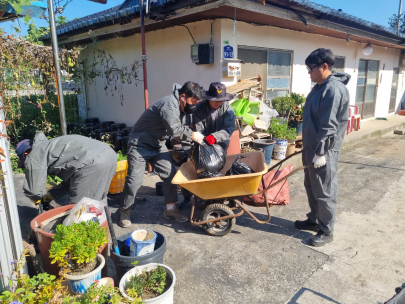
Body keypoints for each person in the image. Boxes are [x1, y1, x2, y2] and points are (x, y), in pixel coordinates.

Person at [119, 81, 205, 228]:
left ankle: (170, 210)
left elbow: (181, 132)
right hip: (139, 144)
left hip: (157, 145)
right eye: (193, 101)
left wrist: (193, 151)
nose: (194, 105)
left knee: (170, 175)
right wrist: (193, 136)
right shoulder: (169, 103)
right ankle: (124, 211)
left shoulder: (183, 109)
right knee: (134, 181)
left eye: (197, 102)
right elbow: (175, 130)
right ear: (183, 96)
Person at [294, 48, 350, 247]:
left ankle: (326, 230)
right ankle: (314, 219)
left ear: (324, 66)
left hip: (323, 151)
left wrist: (320, 152)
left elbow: (329, 125)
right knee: (311, 186)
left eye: (311, 68)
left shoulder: (332, 89)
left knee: (324, 190)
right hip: (311, 148)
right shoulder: (318, 86)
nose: (308, 72)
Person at [177, 82, 236, 210]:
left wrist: (215, 137)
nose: (218, 103)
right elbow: (198, 130)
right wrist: (203, 141)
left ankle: (214, 199)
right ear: (208, 98)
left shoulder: (228, 110)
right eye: (215, 100)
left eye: (221, 100)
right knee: (199, 173)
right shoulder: (199, 109)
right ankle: (188, 197)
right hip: (202, 145)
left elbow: (229, 129)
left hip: (220, 146)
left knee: (217, 173)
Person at [16, 131, 117, 205]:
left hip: (92, 163)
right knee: (98, 201)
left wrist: (37, 200)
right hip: (108, 154)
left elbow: (34, 192)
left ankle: (87, 232)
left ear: (26, 153)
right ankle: (102, 230)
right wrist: (52, 194)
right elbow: (71, 177)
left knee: (80, 210)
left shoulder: (34, 155)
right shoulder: (49, 146)